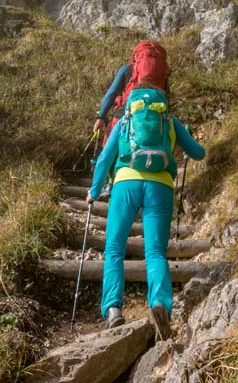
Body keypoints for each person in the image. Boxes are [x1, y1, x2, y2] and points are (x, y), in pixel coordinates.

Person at [86, 88, 205, 341]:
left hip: (125, 184)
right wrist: (185, 137)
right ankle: (161, 304)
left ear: (132, 103)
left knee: (114, 249)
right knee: (155, 253)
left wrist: (94, 192)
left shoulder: (125, 121)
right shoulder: (170, 122)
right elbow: (199, 153)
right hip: (160, 188)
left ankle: (113, 309)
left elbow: (105, 158)